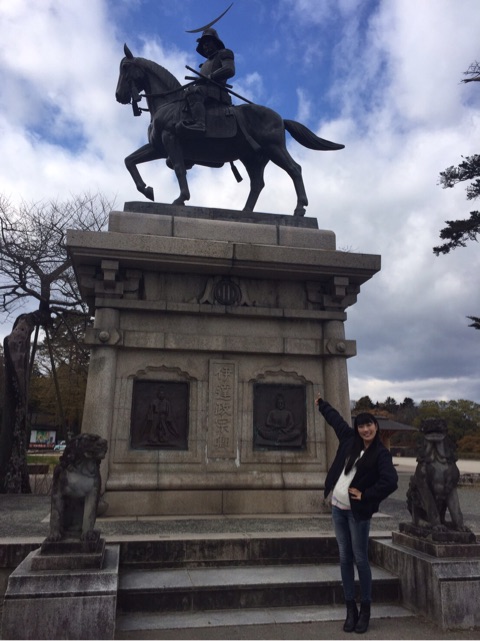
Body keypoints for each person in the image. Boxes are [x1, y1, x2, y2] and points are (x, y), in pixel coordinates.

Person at [315, 395, 398, 634]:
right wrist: (323, 405)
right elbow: (336, 421)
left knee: (360, 558)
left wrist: (367, 495)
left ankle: (366, 610)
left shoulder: (381, 454)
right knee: (344, 557)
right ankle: (350, 609)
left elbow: (390, 481)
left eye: (369, 424)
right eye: (361, 425)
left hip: (357, 513)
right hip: (337, 509)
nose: (365, 429)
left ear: (376, 426)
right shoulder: (350, 440)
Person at [183, 28, 235, 134]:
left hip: (216, 92)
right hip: (204, 92)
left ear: (215, 42)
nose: (205, 46)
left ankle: (200, 124)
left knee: (194, 91)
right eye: (203, 44)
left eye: (207, 42)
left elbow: (229, 69)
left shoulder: (224, 53)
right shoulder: (205, 64)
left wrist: (210, 77)